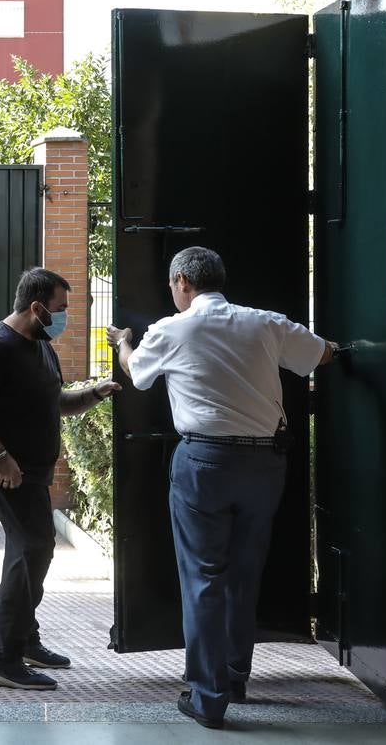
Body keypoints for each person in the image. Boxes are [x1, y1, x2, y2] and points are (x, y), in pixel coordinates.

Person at [108, 246, 336, 730]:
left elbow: (137, 374)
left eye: (173, 286)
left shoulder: (173, 329)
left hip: (204, 462)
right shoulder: (265, 323)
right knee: (245, 571)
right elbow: (321, 354)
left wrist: (122, 342)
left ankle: (209, 698)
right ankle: (235, 677)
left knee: (203, 576)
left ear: (183, 283)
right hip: (265, 463)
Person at [0, 267, 121, 691]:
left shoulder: (40, 345)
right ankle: (2, 659)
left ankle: (25, 640)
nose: (64, 317)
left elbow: (54, 401)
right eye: (60, 309)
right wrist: (0, 457)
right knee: (32, 552)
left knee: (31, 554)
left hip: (34, 474)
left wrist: (94, 393)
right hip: (9, 476)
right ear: (37, 307)